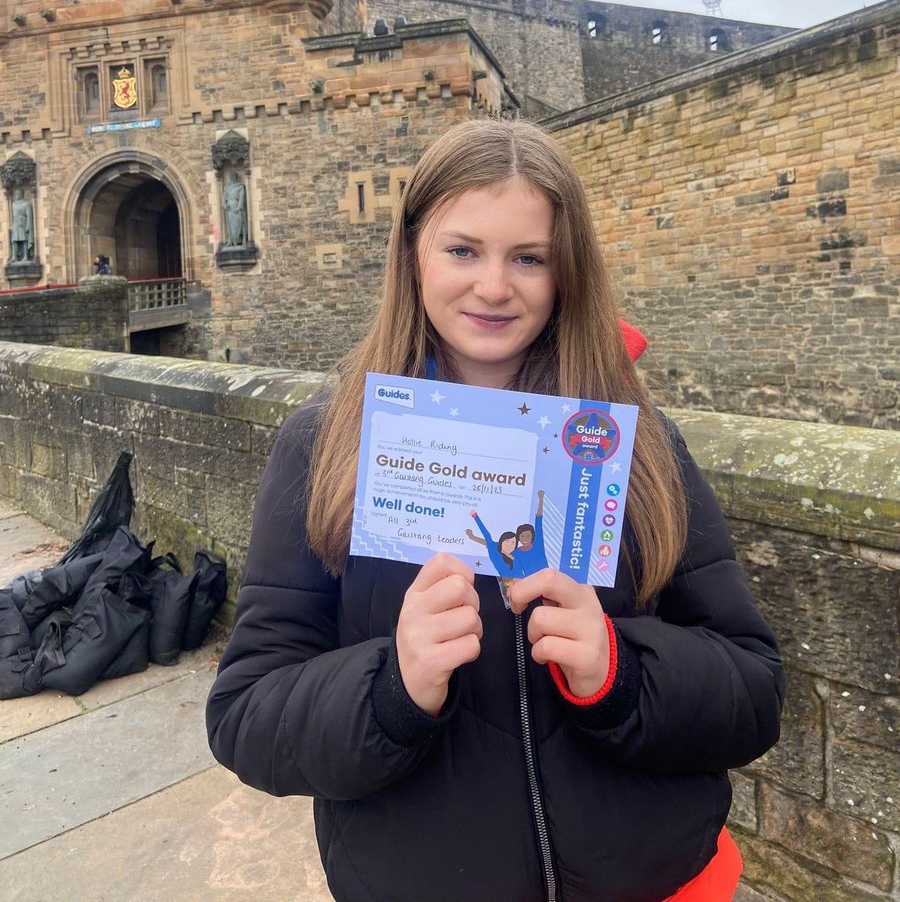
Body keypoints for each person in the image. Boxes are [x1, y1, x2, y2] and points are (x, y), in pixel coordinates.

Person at [207, 119, 785, 902]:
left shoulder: (631, 442)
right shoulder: (327, 443)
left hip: (661, 881)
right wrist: (392, 686)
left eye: (529, 258)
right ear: (412, 253)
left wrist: (616, 672)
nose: (492, 287)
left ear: (565, 271)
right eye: (462, 250)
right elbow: (247, 718)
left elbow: (753, 693)